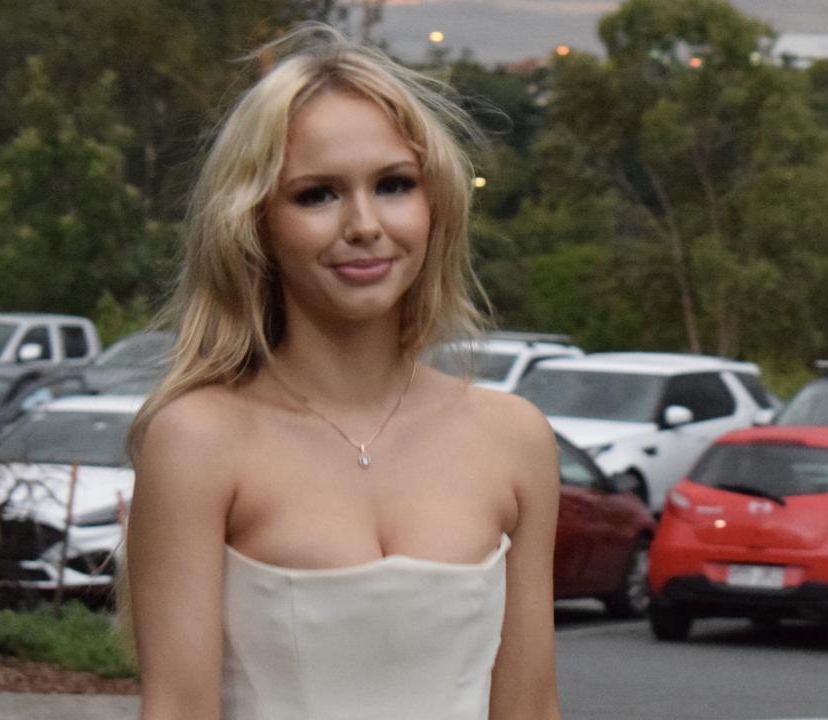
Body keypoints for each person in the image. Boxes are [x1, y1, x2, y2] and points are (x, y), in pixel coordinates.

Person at [126, 24, 562, 720]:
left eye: (393, 184)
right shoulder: (198, 440)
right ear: (256, 221)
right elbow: (177, 707)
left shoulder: (514, 438)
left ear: (435, 203)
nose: (364, 224)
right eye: (317, 194)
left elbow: (532, 706)